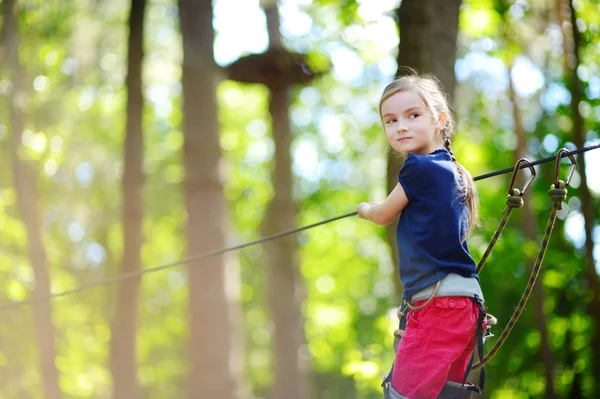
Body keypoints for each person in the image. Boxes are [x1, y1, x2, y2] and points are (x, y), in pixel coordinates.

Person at [357, 73, 485, 399]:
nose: (401, 126)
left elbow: (384, 213)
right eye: (391, 120)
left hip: (437, 307)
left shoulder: (417, 167)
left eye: (413, 115)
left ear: (439, 119)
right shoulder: (457, 173)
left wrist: (365, 208)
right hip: (467, 309)